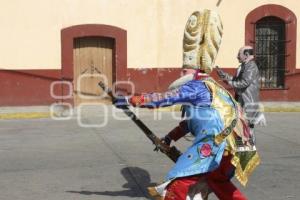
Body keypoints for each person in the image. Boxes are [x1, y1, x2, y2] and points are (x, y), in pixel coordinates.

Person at [115, 10, 260, 200]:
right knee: (216, 182)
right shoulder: (213, 88)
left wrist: (129, 100)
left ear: (194, 70)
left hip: (220, 147)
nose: (181, 71)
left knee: (178, 187)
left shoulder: (196, 87)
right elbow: (192, 122)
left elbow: (163, 98)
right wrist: (169, 138)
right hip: (235, 150)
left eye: (185, 68)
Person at [216, 46, 266, 135]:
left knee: (247, 130)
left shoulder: (251, 66)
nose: (237, 56)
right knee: (240, 128)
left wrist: (229, 82)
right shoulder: (244, 66)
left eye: (239, 54)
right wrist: (224, 76)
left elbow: (244, 82)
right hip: (241, 100)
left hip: (247, 102)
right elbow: (236, 80)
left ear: (246, 55)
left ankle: (250, 147)